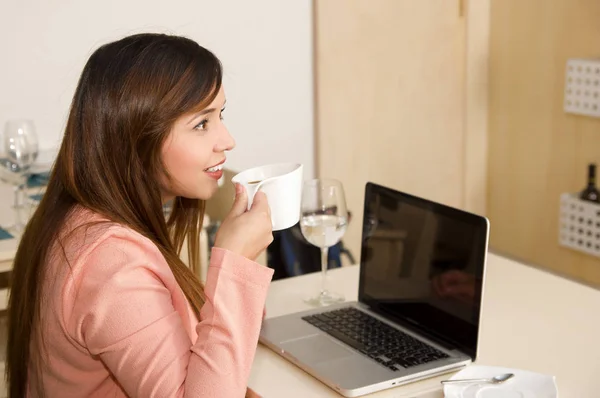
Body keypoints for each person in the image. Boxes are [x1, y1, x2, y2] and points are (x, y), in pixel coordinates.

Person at [6, 33, 274, 398]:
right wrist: (237, 264)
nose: (227, 140)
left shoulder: (76, 218)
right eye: (201, 123)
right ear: (137, 137)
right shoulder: (112, 265)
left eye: (220, 116)